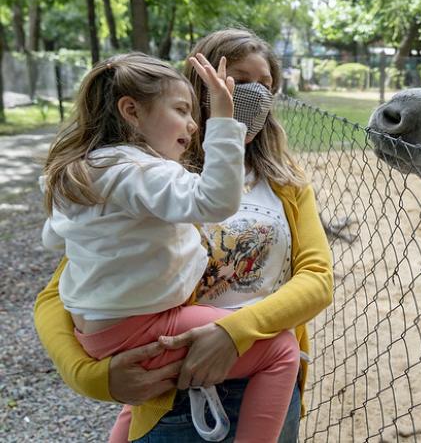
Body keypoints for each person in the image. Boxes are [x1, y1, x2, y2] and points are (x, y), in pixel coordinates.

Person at [34, 30, 333, 442]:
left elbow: (317, 279)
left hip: (262, 383)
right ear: (202, 87)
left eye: (265, 86)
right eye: (239, 81)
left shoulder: (286, 184)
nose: (254, 95)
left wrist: (236, 332)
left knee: (279, 353)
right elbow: (59, 291)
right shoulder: (154, 179)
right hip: (171, 395)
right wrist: (90, 376)